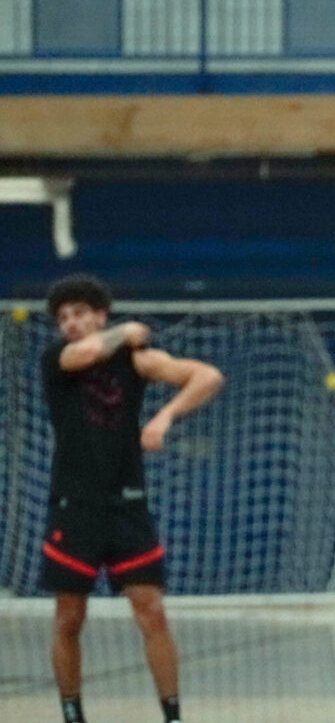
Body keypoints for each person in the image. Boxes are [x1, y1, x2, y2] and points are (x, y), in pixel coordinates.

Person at [40, 275, 224, 723]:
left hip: (127, 507)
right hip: (74, 507)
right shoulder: (57, 360)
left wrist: (164, 417)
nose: (71, 323)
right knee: (68, 618)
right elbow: (86, 352)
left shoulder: (135, 361)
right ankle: (72, 713)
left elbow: (206, 376)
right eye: (63, 318)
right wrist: (127, 329)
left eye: (80, 313)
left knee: (152, 612)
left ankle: (173, 714)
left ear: (99, 315)